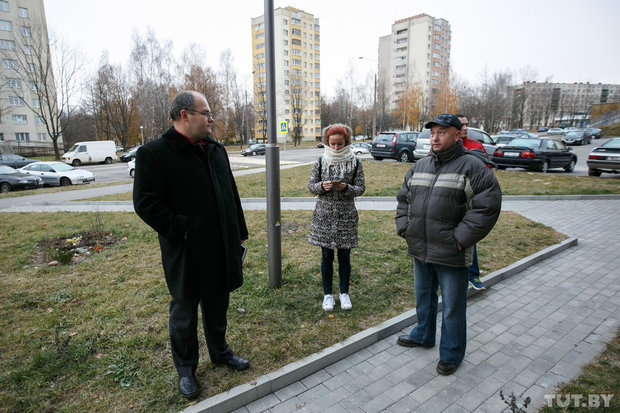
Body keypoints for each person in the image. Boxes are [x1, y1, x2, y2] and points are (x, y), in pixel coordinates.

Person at [133, 91, 250, 400]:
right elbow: (145, 203)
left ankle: (221, 352)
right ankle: (186, 370)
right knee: (184, 313)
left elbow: (231, 194)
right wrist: (184, 230)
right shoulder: (154, 153)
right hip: (185, 251)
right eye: (206, 112)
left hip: (221, 246)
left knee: (218, 305)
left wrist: (239, 231)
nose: (211, 118)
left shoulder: (215, 149)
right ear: (185, 115)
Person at [395, 114, 501, 375]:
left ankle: (452, 353)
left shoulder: (472, 167)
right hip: (420, 247)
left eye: (442, 132)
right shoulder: (420, 166)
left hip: (452, 251)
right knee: (424, 298)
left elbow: (486, 208)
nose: (435, 137)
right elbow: (403, 199)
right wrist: (405, 228)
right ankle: (423, 334)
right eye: (432, 133)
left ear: (458, 134)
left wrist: (459, 240)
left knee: (453, 306)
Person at [308, 124, 365, 311]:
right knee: (326, 257)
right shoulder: (320, 160)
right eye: (332, 144)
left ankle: (344, 294)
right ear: (327, 143)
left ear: (346, 142)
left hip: (346, 217)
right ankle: (327, 295)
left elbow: (361, 188)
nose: (335, 148)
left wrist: (346, 188)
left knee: (345, 257)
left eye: (339, 144)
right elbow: (310, 186)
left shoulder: (355, 162)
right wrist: (321, 187)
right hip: (324, 216)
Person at [456, 114, 489, 291]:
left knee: (469, 238)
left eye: (467, 124)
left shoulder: (475, 146)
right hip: (450, 203)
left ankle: (473, 276)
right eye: (462, 124)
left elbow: (487, 174)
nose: (466, 128)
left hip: (471, 204)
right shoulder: (445, 147)